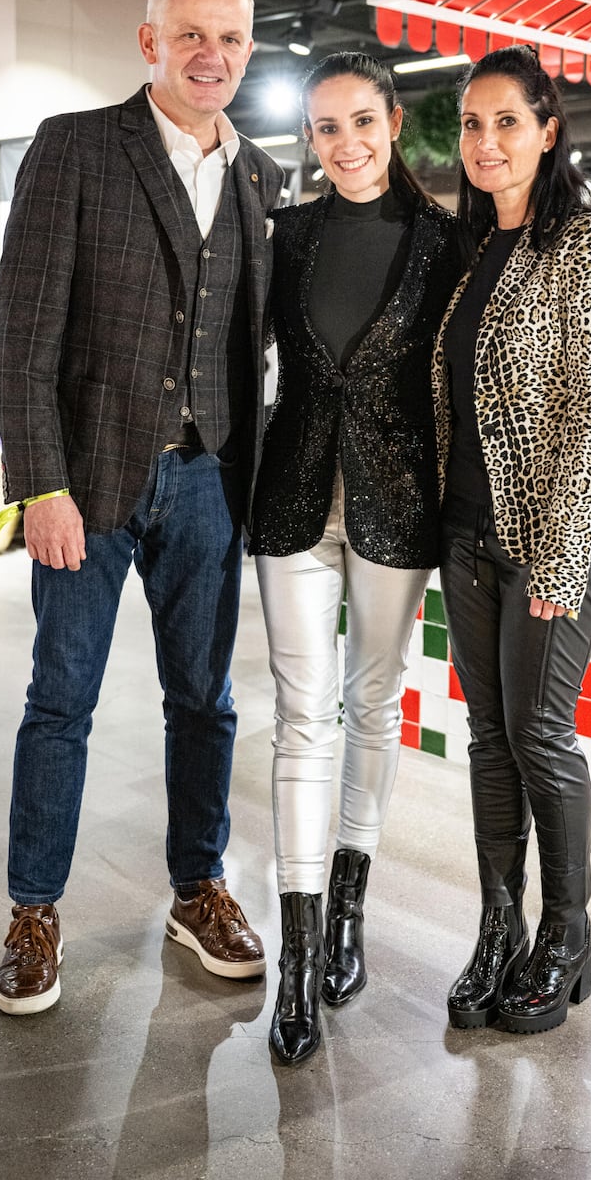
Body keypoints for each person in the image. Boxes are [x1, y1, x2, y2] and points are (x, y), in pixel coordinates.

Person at [0, 0, 285, 1016]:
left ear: (249, 51)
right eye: (193, 35)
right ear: (151, 40)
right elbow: (21, 336)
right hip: (92, 479)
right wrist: (40, 485)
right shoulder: (74, 149)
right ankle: (33, 910)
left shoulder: (258, 175)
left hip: (210, 481)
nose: (214, 56)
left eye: (233, 38)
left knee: (204, 702)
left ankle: (197, 888)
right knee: (59, 700)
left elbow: (254, 344)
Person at [433, 45, 591, 1035]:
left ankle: (568, 932)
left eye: (507, 122)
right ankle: (497, 927)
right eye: (473, 125)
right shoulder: (477, 249)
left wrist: (560, 560)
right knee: (487, 737)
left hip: (557, 531)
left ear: (548, 128)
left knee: (537, 732)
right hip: (469, 530)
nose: (487, 142)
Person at [249, 52, 461, 1064]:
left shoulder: (443, 242)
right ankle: (293, 965)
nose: (345, 144)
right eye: (326, 127)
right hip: (291, 496)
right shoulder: (282, 237)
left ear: (393, 123)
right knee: (301, 717)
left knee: (373, 708)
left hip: (398, 504)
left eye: (361, 122)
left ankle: (348, 914)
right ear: (312, 139)